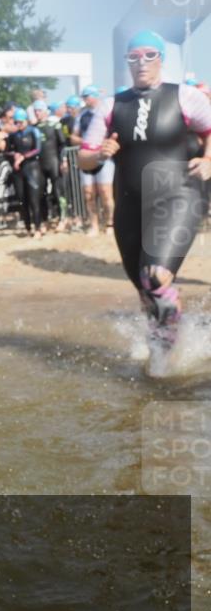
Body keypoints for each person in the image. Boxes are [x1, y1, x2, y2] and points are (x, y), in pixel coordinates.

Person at [79, 30, 211, 365]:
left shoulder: (184, 96)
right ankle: (166, 345)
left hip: (178, 197)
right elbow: (85, 157)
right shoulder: (111, 105)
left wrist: (209, 159)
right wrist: (100, 155)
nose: (141, 62)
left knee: (155, 276)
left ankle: (165, 363)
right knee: (144, 289)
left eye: (149, 55)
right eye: (134, 56)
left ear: (161, 58)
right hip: (131, 206)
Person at [74, 85, 115, 235]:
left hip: (104, 157)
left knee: (105, 192)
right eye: (83, 97)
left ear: (95, 96)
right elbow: (73, 137)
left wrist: (103, 144)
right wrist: (87, 142)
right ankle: (94, 225)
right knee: (88, 193)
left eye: (87, 96)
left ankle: (110, 223)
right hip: (87, 157)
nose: (84, 100)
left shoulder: (107, 111)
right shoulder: (82, 115)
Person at [6, 108, 45, 238]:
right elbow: (7, 151)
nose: (19, 125)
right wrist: (15, 154)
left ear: (26, 121)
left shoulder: (34, 131)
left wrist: (23, 156)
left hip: (32, 168)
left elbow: (38, 149)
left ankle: (38, 227)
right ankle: (28, 227)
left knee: (34, 200)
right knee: (22, 200)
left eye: (21, 122)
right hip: (19, 171)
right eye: (16, 122)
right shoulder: (13, 135)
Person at [34, 101, 69, 231]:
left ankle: (62, 218)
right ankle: (44, 220)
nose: (37, 113)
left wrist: (63, 160)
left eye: (39, 110)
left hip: (53, 161)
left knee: (57, 191)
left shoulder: (55, 125)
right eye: (35, 111)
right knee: (41, 193)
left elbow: (62, 144)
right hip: (40, 164)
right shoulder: (35, 127)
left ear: (45, 111)